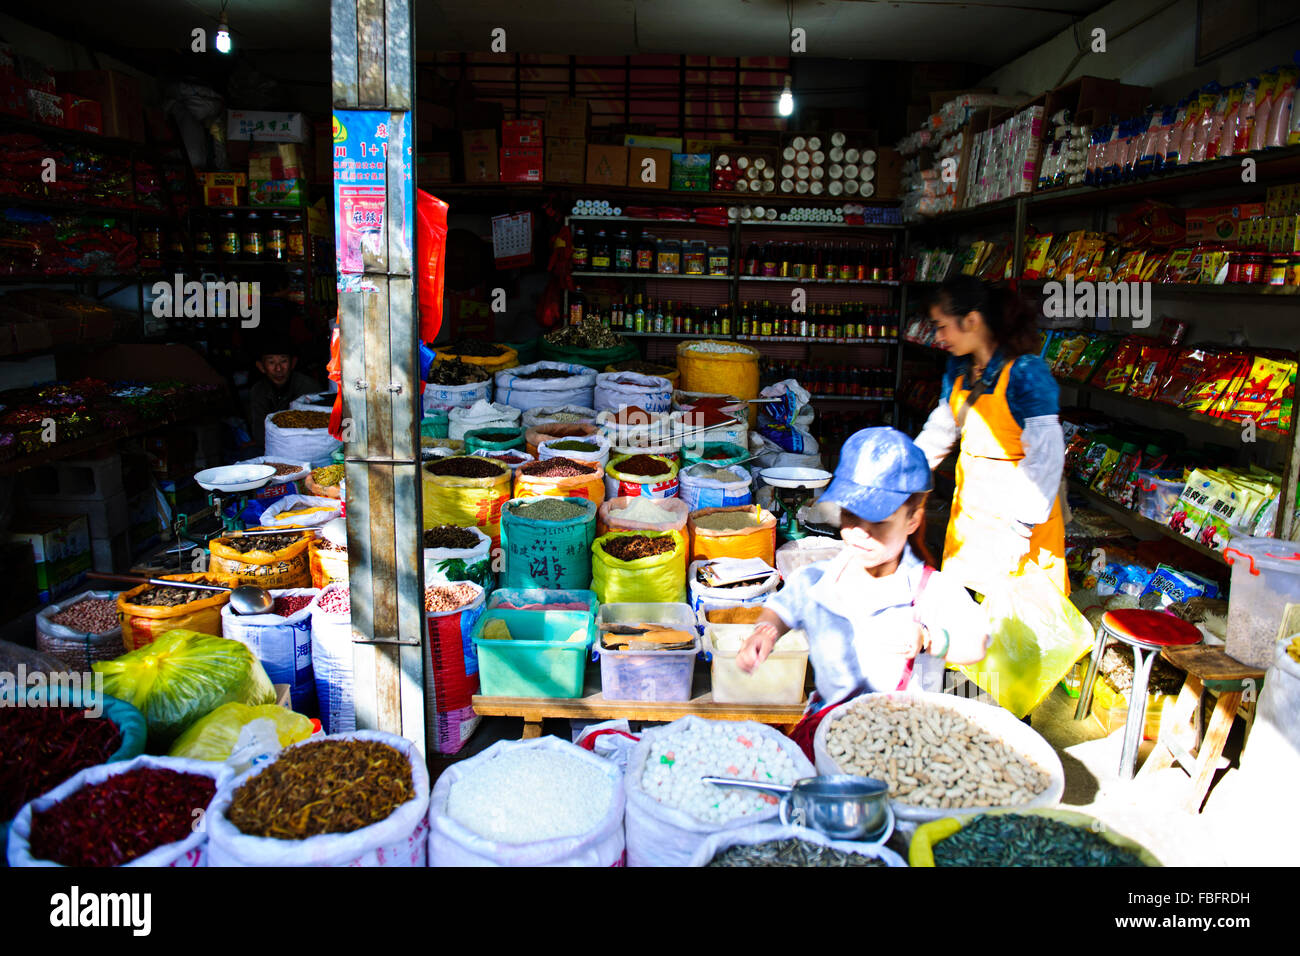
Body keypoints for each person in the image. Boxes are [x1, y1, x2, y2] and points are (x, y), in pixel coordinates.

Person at [736, 427, 988, 758]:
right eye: (852, 515)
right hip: (829, 736)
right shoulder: (817, 578)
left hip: (901, 748)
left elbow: (977, 643)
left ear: (913, 519)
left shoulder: (932, 591)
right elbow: (783, 607)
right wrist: (766, 631)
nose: (861, 532)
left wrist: (929, 639)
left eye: (879, 521)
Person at [913, 276, 1068, 597]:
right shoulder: (958, 370)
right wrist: (902, 476)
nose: (939, 337)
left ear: (971, 320)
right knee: (967, 621)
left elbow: (1047, 455)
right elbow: (939, 433)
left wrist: (1019, 529)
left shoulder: (1026, 373)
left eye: (942, 326)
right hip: (971, 521)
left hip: (1020, 528)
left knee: (1017, 625)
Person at [247, 338, 320, 451]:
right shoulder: (258, 391)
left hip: (305, 446)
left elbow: (312, 430)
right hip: (272, 447)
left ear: (293, 363)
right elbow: (259, 433)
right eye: (271, 362)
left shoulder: (308, 386)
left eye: (283, 361)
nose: (278, 368)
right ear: (261, 367)